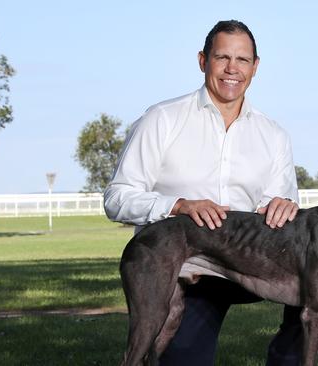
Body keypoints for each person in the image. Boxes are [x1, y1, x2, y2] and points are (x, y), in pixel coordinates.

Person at [104, 20, 303, 366]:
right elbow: (117, 198)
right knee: (180, 357)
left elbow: (279, 202)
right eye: (222, 57)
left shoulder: (274, 135)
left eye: (242, 60)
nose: (232, 69)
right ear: (202, 60)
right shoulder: (162, 119)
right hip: (186, 266)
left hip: (248, 263)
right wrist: (176, 205)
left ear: (255, 67)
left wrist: (284, 205)